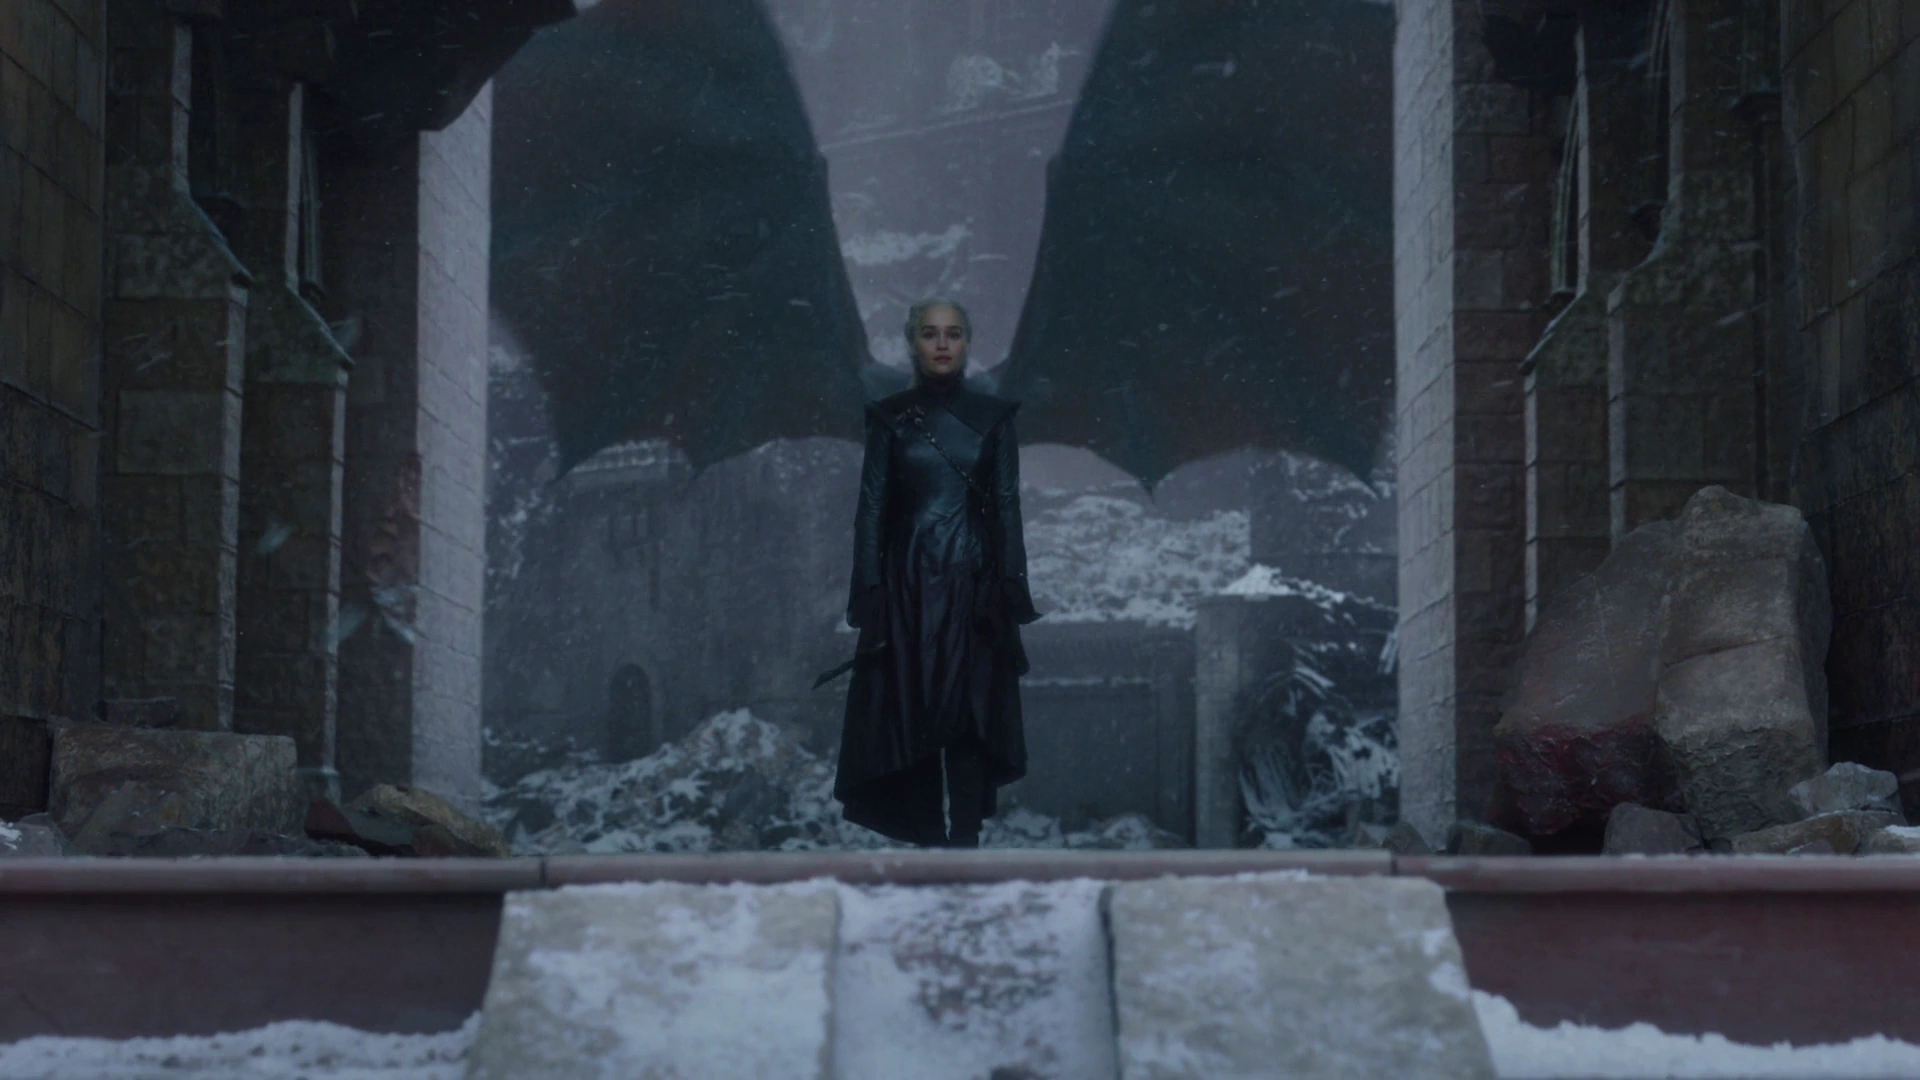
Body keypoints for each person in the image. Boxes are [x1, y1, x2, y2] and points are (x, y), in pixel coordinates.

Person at [833, 298, 1040, 848]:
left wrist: (1010, 587)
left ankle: (964, 849)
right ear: (913, 343)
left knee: (969, 721)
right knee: (914, 719)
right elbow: (872, 509)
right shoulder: (889, 418)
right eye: (930, 333)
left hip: (974, 584)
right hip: (908, 587)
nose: (942, 344)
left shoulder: (995, 418)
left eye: (953, 333)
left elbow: (1007, 505)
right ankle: (930, 849)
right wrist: (870, 593)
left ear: (967, 342)